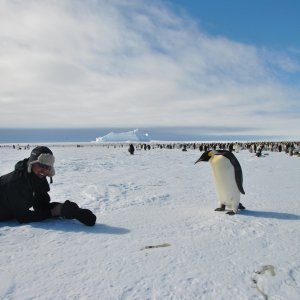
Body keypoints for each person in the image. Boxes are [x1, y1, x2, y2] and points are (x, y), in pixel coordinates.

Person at [0, 146, 96, 226]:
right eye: (41, 165)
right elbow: (23, 217)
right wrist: (52, 213)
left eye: (48, 167)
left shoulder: (38, 177)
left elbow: (41, 205)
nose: (44, 170)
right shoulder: (16, 182)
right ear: (31, 164)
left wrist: (70, 210)